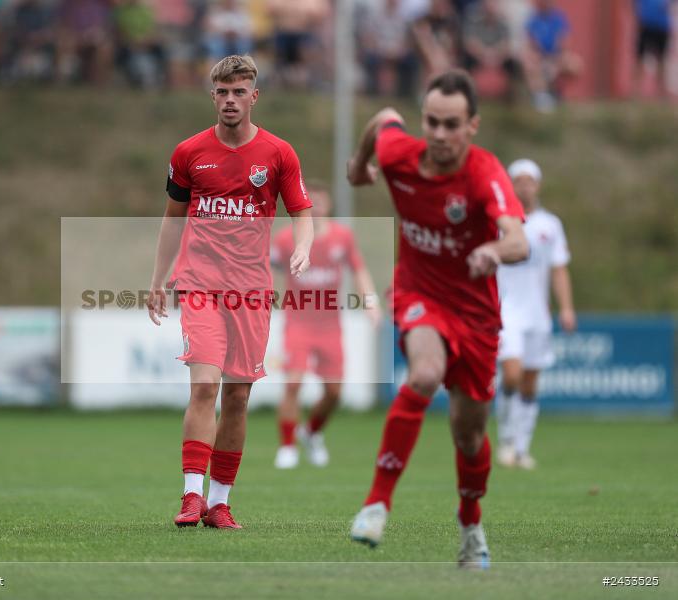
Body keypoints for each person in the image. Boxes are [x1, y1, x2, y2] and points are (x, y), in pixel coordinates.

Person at [345, 69, 528, 569]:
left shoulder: (485, 173)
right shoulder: (400, 154)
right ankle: (377, 501)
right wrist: (359, 164)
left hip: (476, 314)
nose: (441, 135)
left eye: (452, 124)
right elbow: (384, 119)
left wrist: (492, 248)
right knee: (424, 374)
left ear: (473, 125)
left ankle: (470, 521)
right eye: (433, 122)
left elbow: (519, 239)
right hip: (419, 292)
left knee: (469, 436)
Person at [147, 55, 314, 529]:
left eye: (239, 92)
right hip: (200, 284)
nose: (229, 100)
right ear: (212, 95)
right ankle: (191, 496)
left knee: (237, 398)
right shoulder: (188, 152)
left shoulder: (279, 154)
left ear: (254, 96)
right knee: (204, 386)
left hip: (252, 290)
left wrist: (303, 247)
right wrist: (158, 280)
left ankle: (220, 503)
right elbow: (171, 220)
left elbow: (302, 212)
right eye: (222, 91)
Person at [271, 182, 381, 469]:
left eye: (320, 203)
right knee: (292, 383)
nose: (316, 209)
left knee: (334, 393)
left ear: (328, 206)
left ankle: (311, 432)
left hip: (330, 325)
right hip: (297, 323)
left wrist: (370, 302)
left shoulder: (342, 238)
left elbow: (359, 270)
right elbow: (263, 269)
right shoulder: (285, 240)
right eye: (311, 204)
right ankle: (287, 446)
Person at [495, 159, 575, 470]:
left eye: (530, 181)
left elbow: (559, 270)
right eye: (519, 180)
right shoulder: (499, 222)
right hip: (505, 312)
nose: (524, 186)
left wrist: (566, 308)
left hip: (537, 315)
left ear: (537, 185)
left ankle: (522, 448)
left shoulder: (550, 225)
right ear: (510, 185)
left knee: (529, 383)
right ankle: (506, 440)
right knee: (511, 374)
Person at [522, 0, 583, 112]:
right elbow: (531, 44)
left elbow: (564, 43)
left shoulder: (558, 18)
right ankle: (540, 96)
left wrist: (555, 62)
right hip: (540, 58)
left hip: (556, 58)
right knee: (530, 63)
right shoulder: (533, 19)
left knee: (574, 64)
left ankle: (557, 91)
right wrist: (542, 60)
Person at [633, 0, 676, 99]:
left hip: (662, 26)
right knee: (639, 58)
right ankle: (635, 91)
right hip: (646, 25)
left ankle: (660, 92)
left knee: (661, 60)